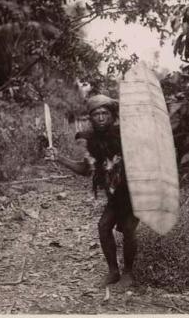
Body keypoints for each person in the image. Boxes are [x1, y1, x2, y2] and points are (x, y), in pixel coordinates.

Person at [45, 94, 139, 288]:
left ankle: (128, 274)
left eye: (105, 113)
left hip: (134, 193)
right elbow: (86, 169)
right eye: (96, 114)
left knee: (129, 229)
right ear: (91, 118)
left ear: (112, 116)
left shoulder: (126, 135)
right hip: (115, 196)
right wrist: (59, 158)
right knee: (104, 227)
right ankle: (113, 271)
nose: (101, 117)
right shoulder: (91, 141)